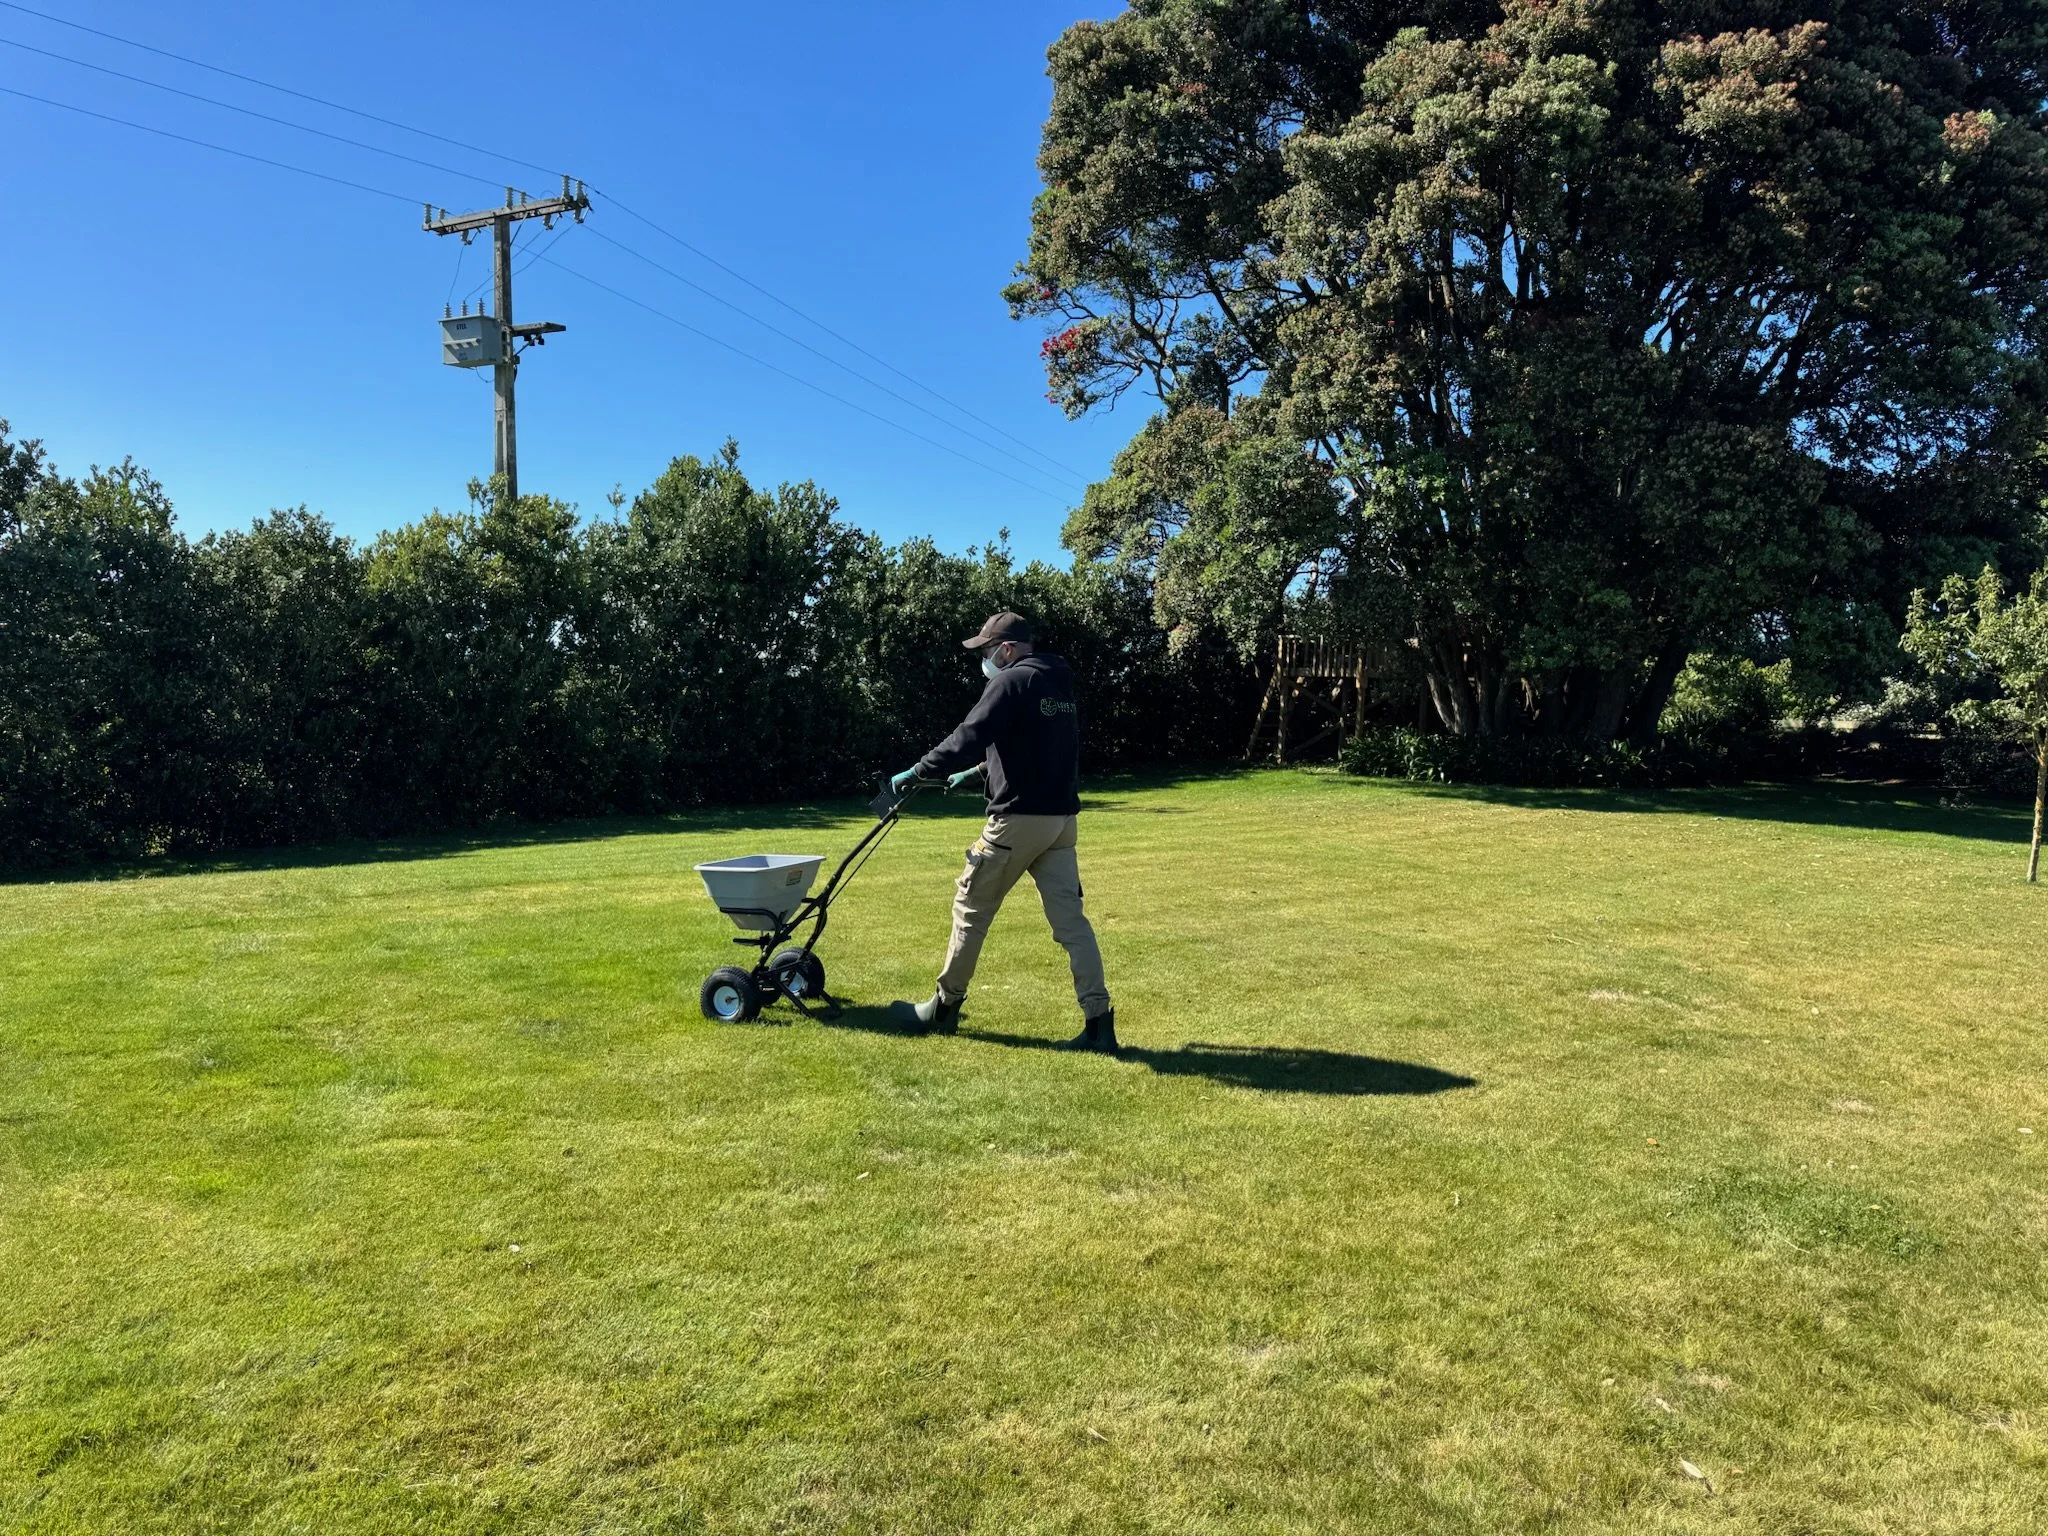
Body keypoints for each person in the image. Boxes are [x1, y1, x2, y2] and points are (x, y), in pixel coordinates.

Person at [887, 612, 1117, 1050]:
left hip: (1016, 821)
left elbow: (969, 733)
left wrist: (919, 770)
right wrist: (977, 774)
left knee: (970, 907)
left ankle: (943, 1006)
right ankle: (1099, 1024)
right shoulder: (1056, 681)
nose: (985, 660)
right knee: (1072, 925)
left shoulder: (1009, 682)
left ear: (1006, 649)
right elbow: (1035, 744)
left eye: (987, 650)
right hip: (1060, 823)